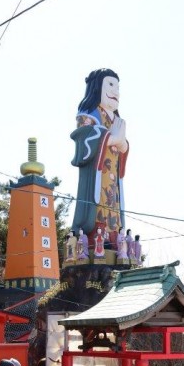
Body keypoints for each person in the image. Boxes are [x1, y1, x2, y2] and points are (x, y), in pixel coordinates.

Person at [70, 68, 129, 248]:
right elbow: (84, 137)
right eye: (110, 85)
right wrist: (113, 139)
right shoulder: (89, 114)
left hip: (113, 178)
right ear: (97, 87)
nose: (115, 91)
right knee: (97, 205)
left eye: (118, 87)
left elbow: (123, 147)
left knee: (114, 206)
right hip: (96, 175)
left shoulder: (116, 120)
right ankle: (95, 236)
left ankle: (114, 237)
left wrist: (122, 143)